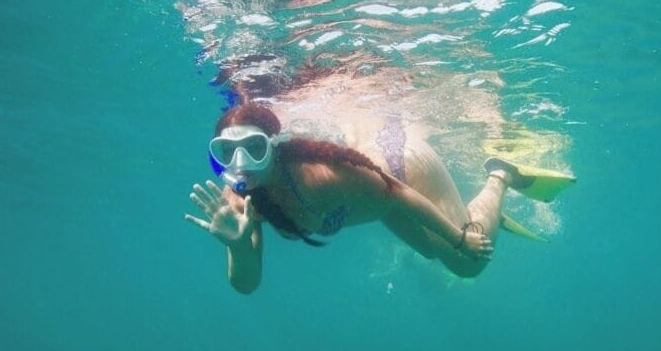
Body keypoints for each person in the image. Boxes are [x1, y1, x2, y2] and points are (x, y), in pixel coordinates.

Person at [184, 101, 574, 293]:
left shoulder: (320, 178)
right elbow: (247, 285)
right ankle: (469, 214)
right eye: (225, 152)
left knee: (464, 263)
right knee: (430, 250)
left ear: (274, 146)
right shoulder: (239, 200)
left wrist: (460, 237)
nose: (240, 164)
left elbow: (398, 193)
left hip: (400, 165)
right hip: (376, 199)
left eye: (253, 149)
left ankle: (500, 174)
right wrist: (237, 246)